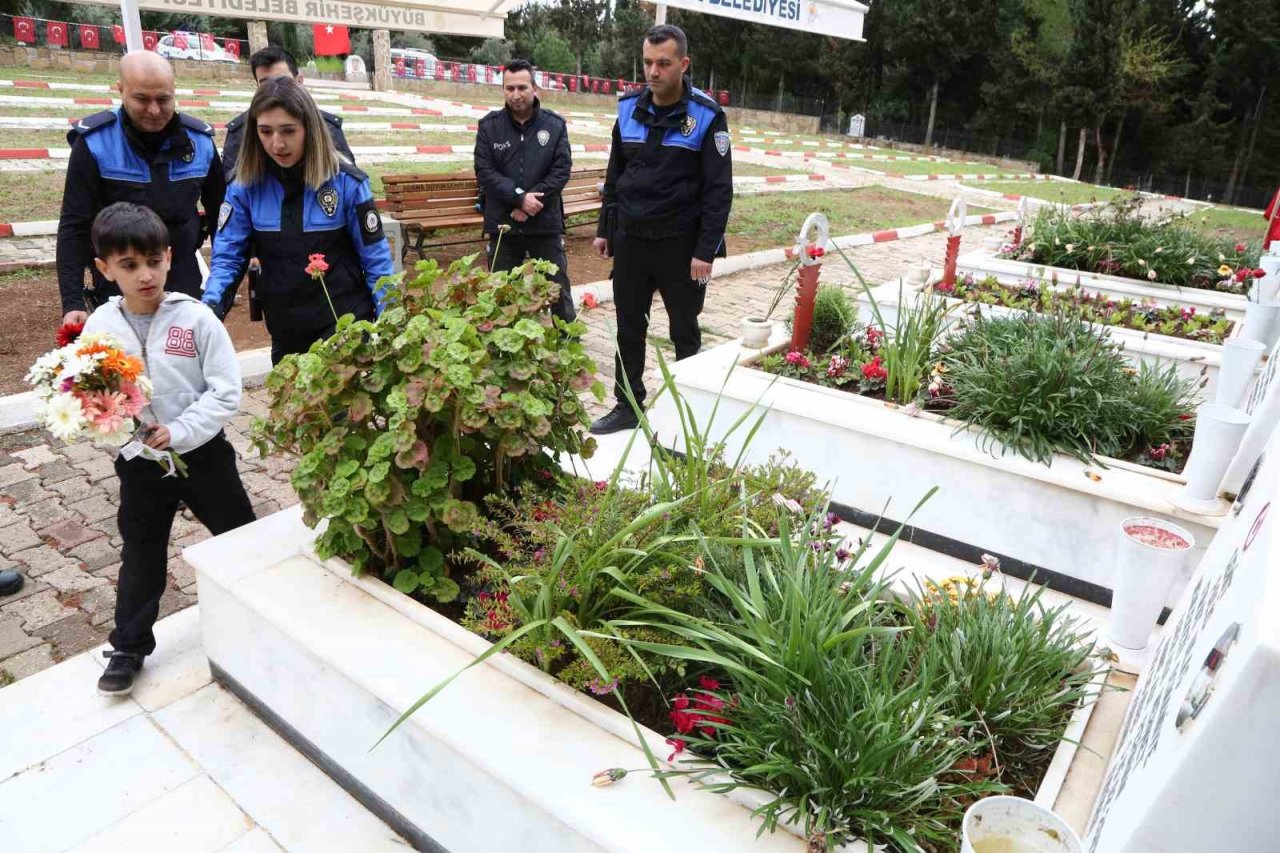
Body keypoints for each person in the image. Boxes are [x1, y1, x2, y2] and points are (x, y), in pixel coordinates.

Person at [82, 202, 255, 696]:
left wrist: (179, 432)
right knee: (141, 549)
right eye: (129, 265)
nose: (145, 275)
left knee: (238, 536)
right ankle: (129, 645)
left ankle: (263, 610)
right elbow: (94, 399)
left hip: (203, 455)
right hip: (140, 464)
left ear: (169, 257)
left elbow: (225, 391)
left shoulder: (196, 318)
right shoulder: (100, 329)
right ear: (105, 269)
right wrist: (125, 434)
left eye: (153, 261)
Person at [590, 25, 733, 435]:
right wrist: (605, 228)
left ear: (683, 65)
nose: (653, 71)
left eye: (663, 64)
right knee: (628, 326)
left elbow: (718, 191)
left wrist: (705, 251)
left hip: (680, 245)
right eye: (648, 62)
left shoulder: (706, 117)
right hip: (632, 239)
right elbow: (616, 174)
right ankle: (627, 404)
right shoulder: (627, 109)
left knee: (684, 329)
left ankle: (689, 410)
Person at [202, 77, 395, 364]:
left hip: (345, 324)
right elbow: (228, 257)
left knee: (339, 410)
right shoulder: (243, 187)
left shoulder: (347, 183)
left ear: (309, 129)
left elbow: (376, 260)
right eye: (265, 131)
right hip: (286, 329)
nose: (277, 143)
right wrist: (211, 307)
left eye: (288, 131)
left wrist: (391, 320)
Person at [56, 51, 224, 327]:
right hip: (118, 284)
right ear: (121, 90)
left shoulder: (201, 144)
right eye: (142, 99)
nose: (155, 110)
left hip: (182, 277)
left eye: (164, 99)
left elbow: (223, 218)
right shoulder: (95, 143)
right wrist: (72, 301)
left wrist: (219, 287)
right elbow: (74, 224)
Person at [474, 58, 576, 322]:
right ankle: (504, 351)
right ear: (503, 91)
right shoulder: (489, 127)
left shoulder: (554, 126)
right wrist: (519, 199)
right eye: (509, 89)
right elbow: (484, 172)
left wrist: (532, 204)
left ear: (535, 89)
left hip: (545, 223)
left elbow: (561, 170)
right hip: (504, 224)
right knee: (501, 293)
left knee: (558, 289)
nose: (515, 95)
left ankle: (567, 342)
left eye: (522, 87)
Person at [221, 46, 355, 182]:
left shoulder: (327, 126)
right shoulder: (241, 131)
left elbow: (346, 175)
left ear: (299, 82)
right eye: (265, 84)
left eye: (283, 81)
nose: (275, 89)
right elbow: (230, 186)